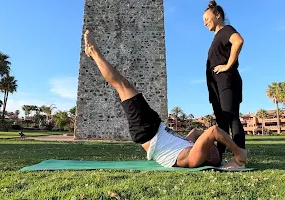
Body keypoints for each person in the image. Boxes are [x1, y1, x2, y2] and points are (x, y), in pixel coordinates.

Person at [84, 29, 247, 169]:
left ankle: (94, 53)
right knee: (122, 85)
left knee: (121, 85)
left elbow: (213, 131)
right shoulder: (188, 147)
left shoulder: (192, 158)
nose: (212, 146)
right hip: (153, 127)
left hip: (147, 131)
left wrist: (237, 151)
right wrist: (211, 146)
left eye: (212, 149)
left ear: (208, 157)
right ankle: (94, 53)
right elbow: (197, 132)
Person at [203, 1, 245, 161]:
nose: (205, 23)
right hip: (216, 85)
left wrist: (227, 66)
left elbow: (238, 41)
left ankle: (240, 158)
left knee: (231, 116)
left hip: (227, 81)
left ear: (218, 15)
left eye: (207, 18)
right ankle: (219, 156)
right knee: (221, 122)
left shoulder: (226, 30)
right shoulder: (216, 38)